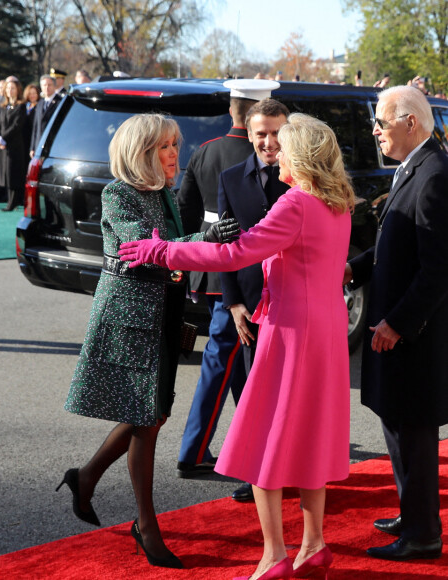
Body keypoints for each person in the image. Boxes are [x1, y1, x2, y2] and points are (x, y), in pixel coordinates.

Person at [119, 113, 355, 580]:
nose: (275, 153)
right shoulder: (339, 204)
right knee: (309, 439)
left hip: (290, 335)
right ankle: (313, 545)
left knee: (264, 440)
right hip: (326, 334)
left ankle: (274, 556)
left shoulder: (297, 204)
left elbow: (235, 253)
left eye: (283, 146)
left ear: (300, 156)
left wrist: (162, 251)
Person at [61, 113, 239, 570]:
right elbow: (146, 247)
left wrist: (207, 240)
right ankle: (145, 523)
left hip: (161, 313)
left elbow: (172, 246)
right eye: (165, 147)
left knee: (150, 415)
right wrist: (206, 237)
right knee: (148, 417)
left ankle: (85, 478)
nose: (175, 153)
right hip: (130, 319)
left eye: (175, 144)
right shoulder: (117, 193)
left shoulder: (162, 193)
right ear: (141, 152)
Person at [345, 85, 448, 562]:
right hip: (400, 331)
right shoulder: (416, 166)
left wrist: (399, 324)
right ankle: (413, 515)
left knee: (415, 435)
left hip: (414, 337)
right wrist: (356, 267)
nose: (375, 131)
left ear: (410, 123)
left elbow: (438, 269)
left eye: (381, 123)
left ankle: (423, 534)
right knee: (399, 429)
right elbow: (395, 242)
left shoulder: (435, 175)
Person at [175, 79, 279, 503]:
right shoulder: (267, 156)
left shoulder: (205, 150)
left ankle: (216, 447)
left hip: (213, 270)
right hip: (247, 276)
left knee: (234, 364)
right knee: (228, 363)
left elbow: (185, 213)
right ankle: (197, 449)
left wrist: (204, 242)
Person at [219, 98, 290, 379]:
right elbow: (225, 243)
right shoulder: (230, 179)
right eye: (261, 134)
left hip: (292, 299)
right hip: (249, 305)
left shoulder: (305, 179)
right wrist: (233, 302)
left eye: (277, 133)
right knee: (254, 384)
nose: (269, 142)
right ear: (249, 135)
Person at [0, 77, 26, 211]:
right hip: (3, 146)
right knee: (6, 173)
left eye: (12, 88)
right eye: (8, 88)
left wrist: (4, 138)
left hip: (15, 145)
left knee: (14, 173)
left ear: (18, 90)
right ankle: (9, 199)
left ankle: (13, 201)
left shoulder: (21, 106)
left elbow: (16, 125)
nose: (10, 91)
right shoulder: (3, 106)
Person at [29, 75, 62, 158]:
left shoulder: (60, 102)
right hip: (39, 147)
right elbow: (35, 127)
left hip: (54, 146)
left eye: (49, 85)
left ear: (54, 86)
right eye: (44, 85)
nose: (47, 87)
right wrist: (32, 147)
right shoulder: (40, 103)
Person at [23, 83, 40, 164]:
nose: (32, 96)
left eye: (34, 93)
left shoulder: (39, 107)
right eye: (30, 93)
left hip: (32, 138)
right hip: (24, 139)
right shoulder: (25, 106)